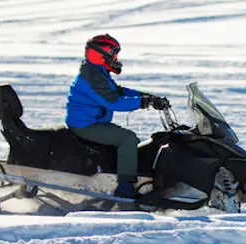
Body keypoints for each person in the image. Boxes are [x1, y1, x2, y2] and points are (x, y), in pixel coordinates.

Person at [65, 34, 169, 198]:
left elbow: (117, 91)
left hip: (91, 121)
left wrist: (146, 97)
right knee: (127, 139)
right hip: (86, 125)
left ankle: (116, 174)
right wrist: (143, 102)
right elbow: (114, 101)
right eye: (113, 55)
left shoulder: (96, 72)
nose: (115, 59)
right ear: (100, 55)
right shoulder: (93, 77)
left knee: (128, 141)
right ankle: (125, 188)